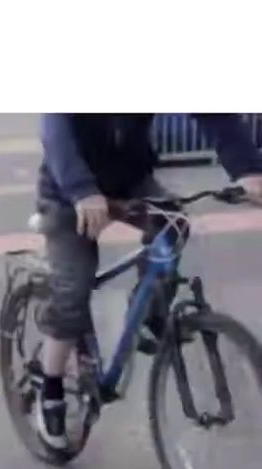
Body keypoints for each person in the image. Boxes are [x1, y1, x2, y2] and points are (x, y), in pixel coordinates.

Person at [31, 114, 262, 449]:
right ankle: (49, 389)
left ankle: (148, 312)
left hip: (131, 183)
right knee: (73, 288)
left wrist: (248, 170)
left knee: (174, 225)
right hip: (70, 192)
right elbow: (55, 130)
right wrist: (81, 191)